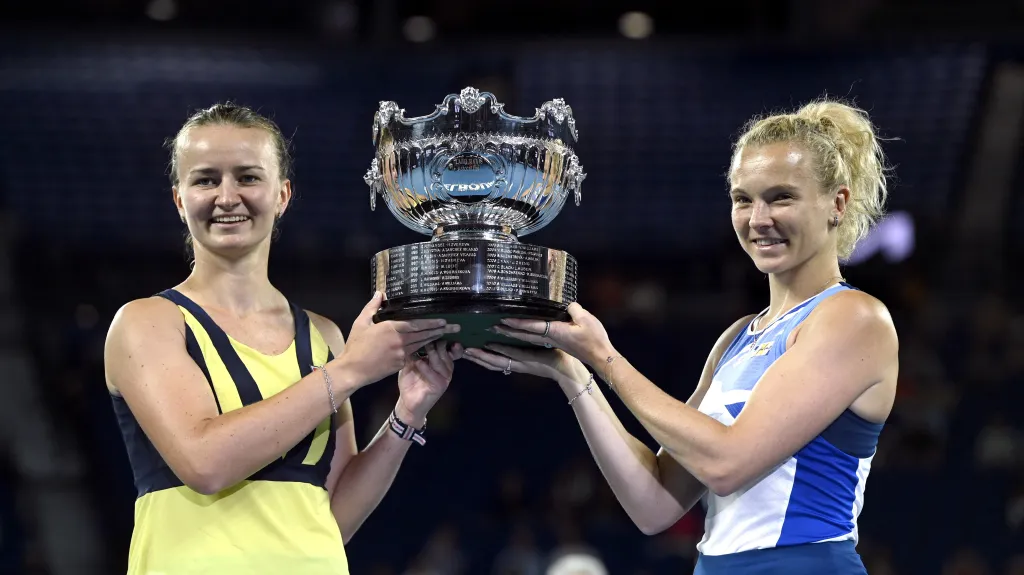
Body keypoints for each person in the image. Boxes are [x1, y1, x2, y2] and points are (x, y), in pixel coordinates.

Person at [464, 99, 898, 574]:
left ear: (837, 202)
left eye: (781, 197)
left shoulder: (854, 318)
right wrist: (571, 371)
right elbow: (654, 504)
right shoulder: (736, 339)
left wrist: (605, 357)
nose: (757, 219)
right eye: (742, 198)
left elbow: (727, 464)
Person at [103, 102, 462, 575]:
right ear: (179, 198)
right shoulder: (146, 322)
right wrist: (350, 370)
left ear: (282, 195)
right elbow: (205, 463)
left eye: (248, 177)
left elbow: (333, 516)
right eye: (206, 179)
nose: (227, 196)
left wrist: (406, 415)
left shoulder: (323, 336)